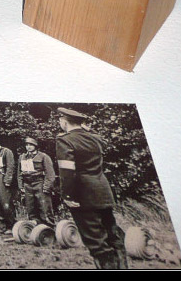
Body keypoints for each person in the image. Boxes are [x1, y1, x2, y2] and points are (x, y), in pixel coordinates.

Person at [55, 107, 127, 270]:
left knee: (96, 243)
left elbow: (67, 172)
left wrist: (67, 196)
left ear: (64, 122)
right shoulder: (95, 138)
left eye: (60, 120)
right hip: (103, 192)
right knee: (113, 236)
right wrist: (84, 128)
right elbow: (96, 138)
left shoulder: (65, 140)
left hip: (83, 196)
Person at [17, 136, 54, 227]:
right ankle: (34, 227)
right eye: (27, 145)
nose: (28, 147)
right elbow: (19, 173)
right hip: (27, 185)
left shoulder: (43, 157)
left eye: (31, 145)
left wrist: (46, 187)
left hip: (39, 183)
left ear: (35, 146)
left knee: (44, 207)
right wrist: (21, 186)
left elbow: (50, 174)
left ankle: (48, 228)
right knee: (30, 208)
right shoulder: (22, 157)